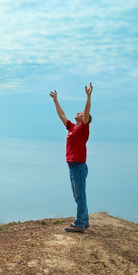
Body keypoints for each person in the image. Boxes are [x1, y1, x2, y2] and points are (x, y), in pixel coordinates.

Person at [50, 83, 92, 233]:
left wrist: (88, 97)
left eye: (81, 113)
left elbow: (87, 112)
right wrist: (56, 101)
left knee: (79, 195)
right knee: (79, 194)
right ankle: (85, 220)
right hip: (74, 165)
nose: (79, 113)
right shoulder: (72, 127)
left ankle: (79, 223)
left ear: (85, 118)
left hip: (78, 166)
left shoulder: (83, 129)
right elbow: (62, 115)